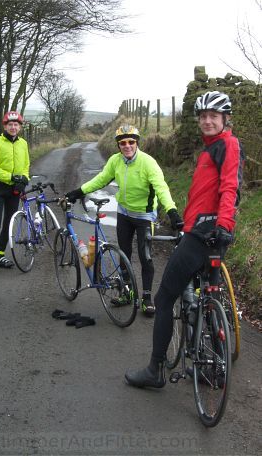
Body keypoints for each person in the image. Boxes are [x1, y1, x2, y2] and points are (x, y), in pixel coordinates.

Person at [125, 90, 244, 388]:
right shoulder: (211, 148)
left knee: (165, 298)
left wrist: (223, 223)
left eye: (213, 116)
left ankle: (155, 370)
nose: (207, 121)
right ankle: (212, 369)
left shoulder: (226, 145)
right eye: (203, 116)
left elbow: (230, 187)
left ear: (225, 119)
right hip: (209, 233)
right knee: (208, 296)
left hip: (204, 234)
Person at [65, 125, 183, 317]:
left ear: (137, 143)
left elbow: (161, 188)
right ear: (118, 145)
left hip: (145, 216)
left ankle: (146, 299)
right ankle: (127, 293)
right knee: (124, 254)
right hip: (124, 214)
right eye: (122, 143)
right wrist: (80, 191)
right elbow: (101, 179)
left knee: (146, 257)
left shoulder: (148, 163)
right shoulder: (115, 160)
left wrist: (172, 211)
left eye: (131, 142)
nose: (127, 146)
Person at [0, 111, 30, 275]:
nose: (13, 127)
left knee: (8, 224)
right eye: (10, 124)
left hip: (15, 189)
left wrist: (24, 178)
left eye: (16, 124)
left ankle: (0, 256)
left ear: (19, 127)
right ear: (4, 126)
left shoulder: (23, 143)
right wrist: (11, 177)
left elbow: (26, 164)